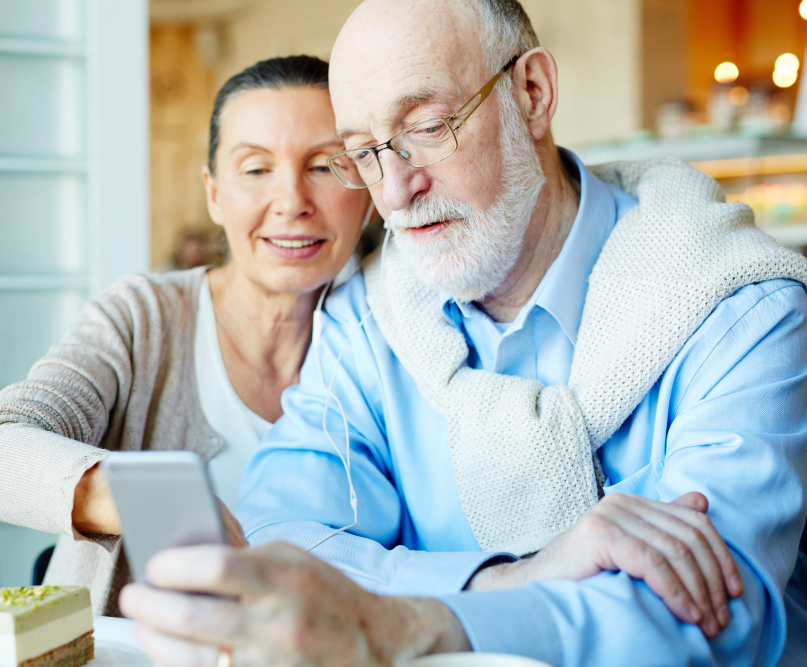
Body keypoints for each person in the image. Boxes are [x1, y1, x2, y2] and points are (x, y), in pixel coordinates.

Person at [117, 1, 807, 666]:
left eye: (426, 127)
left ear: (532, 92)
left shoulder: (740, 309)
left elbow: (713, 619)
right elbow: (280, 533)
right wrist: (504, 580)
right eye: (362, 152)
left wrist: (407, 623)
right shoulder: (368, 318)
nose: (393, 191)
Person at [0, 55, 372, 615]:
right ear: (214, 194)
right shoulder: (143, 319)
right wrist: (139, 497)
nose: (292, 201)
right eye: (255, 169)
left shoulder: (388, 336)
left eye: (324, 165)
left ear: (368, 187)